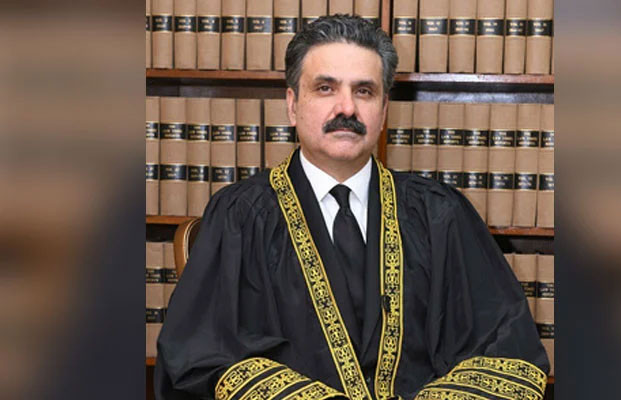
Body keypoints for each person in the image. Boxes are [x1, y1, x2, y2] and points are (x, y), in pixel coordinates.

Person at [155, 15, 549, 400]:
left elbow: (509, 353)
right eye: (325, 88)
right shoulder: (241, 217)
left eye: (364, 91)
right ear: (292, 105)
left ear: (383, 110)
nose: (347, 108)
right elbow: (200, 359)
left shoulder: (439, 215)